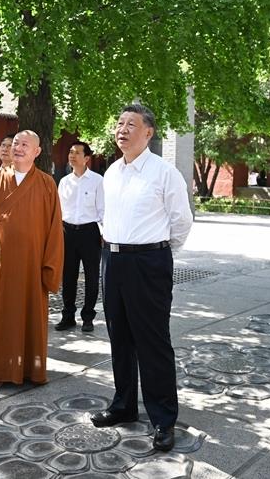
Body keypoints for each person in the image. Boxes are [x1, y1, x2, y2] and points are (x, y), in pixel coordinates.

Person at [90, 104, 193, 453]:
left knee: (153, 341)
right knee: (119, 336)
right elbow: (104, 216)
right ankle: (123, 405)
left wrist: (157, 253)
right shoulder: (111, 172)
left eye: (130, 124)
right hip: (113, 260)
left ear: (148, 133)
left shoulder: (164, 172)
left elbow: (181, 222)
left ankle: (163, 418)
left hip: (149, 262)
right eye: (119, 123)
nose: (122, 129)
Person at [0, 130, 64, 389]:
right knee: (1, 318)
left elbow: (54, 229)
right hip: (1, 263)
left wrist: (50, 267)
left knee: (32, 318)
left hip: (33, 263)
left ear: (37, 152)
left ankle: (32, 371)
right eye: (16, 144)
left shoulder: (47, 183)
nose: (18, 148)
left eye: (25, 145)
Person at [55, 141, 104, 333]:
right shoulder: (64, 182)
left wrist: (105, 233)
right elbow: (58, 210)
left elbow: (103, 209)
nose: (72, 156)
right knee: (68, 276)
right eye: (70, 152)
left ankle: (88, 317)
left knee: (92, 276)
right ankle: (68, 316)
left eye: (76, 153)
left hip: (89, 232)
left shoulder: (97, 181)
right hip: (67, 233)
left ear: (86, 158)